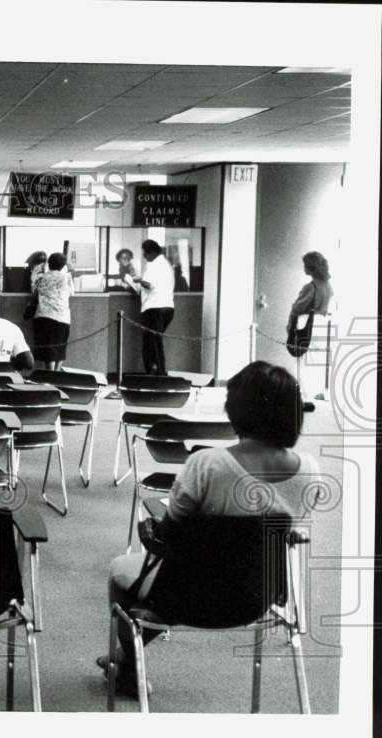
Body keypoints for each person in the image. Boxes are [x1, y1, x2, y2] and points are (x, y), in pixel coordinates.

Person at [100, 361, 322, 698]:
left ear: (235, 410)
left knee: (121, 569)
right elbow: (284, 530)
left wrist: (150, 532)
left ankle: (130, 665)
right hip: (256, 596)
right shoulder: (310, 470)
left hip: (186, 595)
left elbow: (169, 536)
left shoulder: (207, 464)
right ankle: (128, 658)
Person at [287, 251, 335, 412]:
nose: (304, 268)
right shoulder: (328, 286)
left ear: (311, 267)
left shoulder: (310, 287)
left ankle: (302, 398)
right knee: (314, 362)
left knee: (302, 362)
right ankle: (308, 396)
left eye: (306, 265)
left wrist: (290, 326)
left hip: (307, 323)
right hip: (321, 324)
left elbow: (297, 308)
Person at [130, 239, 175, 375]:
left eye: (145, 253)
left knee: (153, 343)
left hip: (154, 307)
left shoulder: (154, 265)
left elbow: (149, 284)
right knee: (153, 341)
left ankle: (157, 373)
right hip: (167, 307)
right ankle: (155, 371)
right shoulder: (166, 264)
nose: (144, 256)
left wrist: (137, 280)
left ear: (152, 252)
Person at [31, 251, 75, 371]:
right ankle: (56, 373)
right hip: (62, 316)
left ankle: (50, 373)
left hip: (43, 315)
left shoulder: (41, 277)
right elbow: (72, 293)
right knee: (60, 346)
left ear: (48, 264)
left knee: (47, 347)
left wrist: (35, 272)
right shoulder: (67, 277)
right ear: (63, 265)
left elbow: (34, 290)